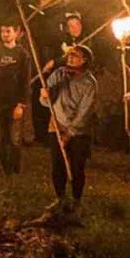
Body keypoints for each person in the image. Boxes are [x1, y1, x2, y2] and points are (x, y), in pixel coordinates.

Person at [41, 45, 98, 214]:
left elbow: (85, 111)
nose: (70, 57)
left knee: (76, 166)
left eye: (75, 55)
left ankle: (76, 200)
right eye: (69, 54)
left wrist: (70, 133)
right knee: (57, 165)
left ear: (84, 59)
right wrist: (45, 95)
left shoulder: (89, 82)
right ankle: (60, 199)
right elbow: (46, 103)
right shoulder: (58, 74)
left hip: (78, 130)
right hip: (57, 125)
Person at [0, 20, 33, 175]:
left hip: (15, 103)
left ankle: (15, 169)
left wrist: (21, 104)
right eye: (3, 31)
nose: (5, 34)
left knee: (14, 139)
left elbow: (25, 82)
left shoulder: (22, 54)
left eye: (8, 31)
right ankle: (3, 168)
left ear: (16, 33)